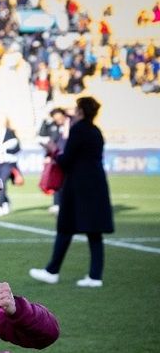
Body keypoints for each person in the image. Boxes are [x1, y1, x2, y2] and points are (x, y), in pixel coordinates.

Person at [30, 97, 113, 288]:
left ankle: (52, 271)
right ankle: (95, 276)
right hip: (96, 184)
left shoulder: (79, 129)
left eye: (76, 109)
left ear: (81, 112)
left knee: (65, 227)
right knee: (94, 232)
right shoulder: (95, 131)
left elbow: (66, 160)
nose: (73, 113)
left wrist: (53, 150)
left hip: (78, 186)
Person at [37, 107, 68, 214]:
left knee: (68, 182)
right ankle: (57, 204)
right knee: (57, 181)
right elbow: (42, 136)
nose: (58, 119)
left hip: (69, 158)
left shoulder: (71, 125)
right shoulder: (53, 127)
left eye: (60, 117)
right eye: (56, 118)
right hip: (57, 159)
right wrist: (44, 121)